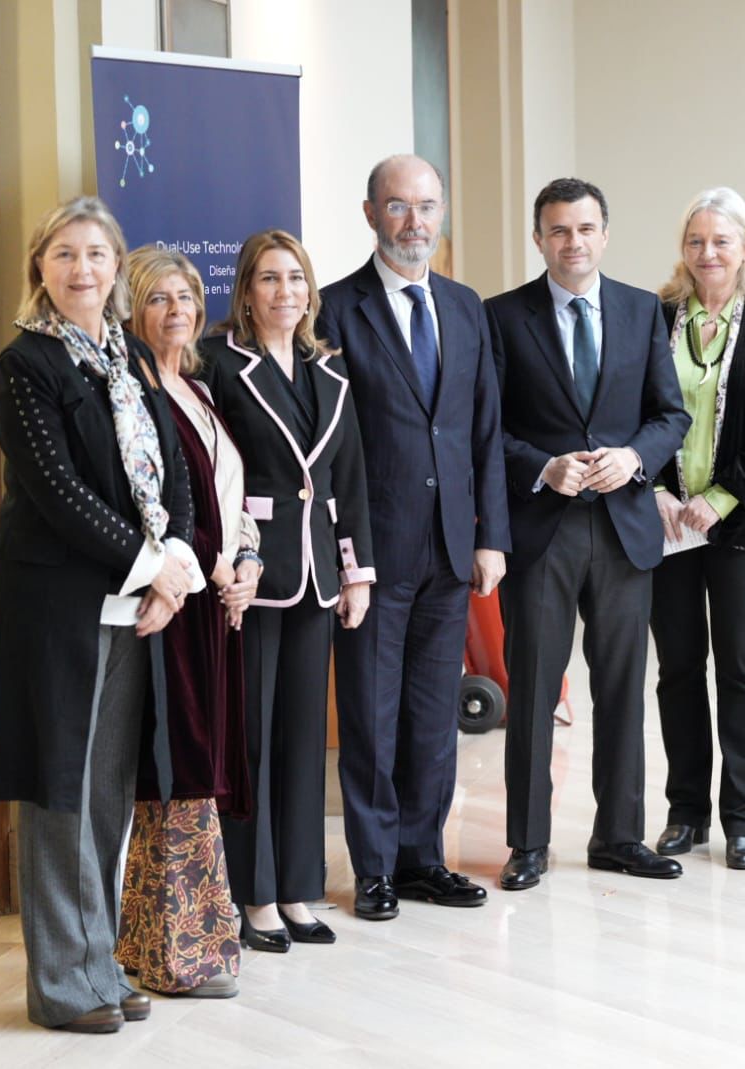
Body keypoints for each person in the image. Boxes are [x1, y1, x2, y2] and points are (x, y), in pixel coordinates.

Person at [0, 196, 200, 1033]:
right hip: (57, 609)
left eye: (97, 254)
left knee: (105, 793)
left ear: (117, 268)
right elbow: (58, 494)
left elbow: (172, 467)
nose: (83, 269)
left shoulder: (128, 356)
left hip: (132, 605)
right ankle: (62, 984)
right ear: (40, 266)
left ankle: (97, 962)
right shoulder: (24, 366)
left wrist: (174, 569)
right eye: (66, 254)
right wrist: (153, 565)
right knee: (59, 793)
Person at [316, 155, 509, 921]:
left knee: (433, 714)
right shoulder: (335, 310)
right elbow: (328, 445)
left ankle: (422, 857)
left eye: (427, 205)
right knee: (371, 713)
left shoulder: (465, 307)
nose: (415, 221)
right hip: (374, 549)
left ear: (442, 211)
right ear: (371, 214)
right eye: (398, 206)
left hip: (451, 548)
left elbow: (484, 430)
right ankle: (374, 868)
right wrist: (345, 553)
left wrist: (491, 535)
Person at [484, 177, 691, 890]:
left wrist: (634, 457)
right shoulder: (502, 317)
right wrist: (543, 467)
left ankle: (619, 836)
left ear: (605, 234)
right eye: (559, 230)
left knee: (624, 690)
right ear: (538, 239)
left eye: (584, 228)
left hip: (624, 528)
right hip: (542, 531)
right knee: (534, 692)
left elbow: (670, 414)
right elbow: (488, 430)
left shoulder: (641, 309)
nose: (573, 242)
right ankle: (528, 843)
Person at [200, 229, 375, 947]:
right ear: (246, 291)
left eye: (296, 278)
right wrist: (228, 555)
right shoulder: (219, 363)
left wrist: (356, 571)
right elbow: (209, 472)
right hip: (251, 575)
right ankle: (254, 894)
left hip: (316, 576)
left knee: (305, 740)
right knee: (253, 741)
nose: (285, 291)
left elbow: (347, 478)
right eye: (270, 278)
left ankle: (300, 887)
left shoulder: (329, 369)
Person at [113, 248, 259, 997]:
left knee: (192, 772)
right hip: (167, 607)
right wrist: (211, 567)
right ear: (130, 310)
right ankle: (180, 955)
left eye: (186, 297)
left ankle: (156, 947)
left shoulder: (197, 389)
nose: (176, 311)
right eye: (157, 298)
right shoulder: (131, 393)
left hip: (211, 608)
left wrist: (248, 559)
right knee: (172, 771)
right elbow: (153, 508)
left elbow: (230, 498)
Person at [648, 188, 745, 871]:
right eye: (696, 240)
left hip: (744, 524)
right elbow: (632, 408)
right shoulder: (656, 318)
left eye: (721, 240)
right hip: (666, 522)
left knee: (742, 669)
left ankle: (743, 818)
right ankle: (686, 812)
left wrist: (722, 496)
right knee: (678, 669)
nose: (708, 252)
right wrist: (653, 487)